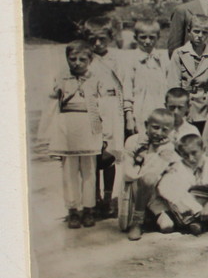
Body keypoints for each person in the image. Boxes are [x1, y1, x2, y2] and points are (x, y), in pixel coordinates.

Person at [37, 40, 108, 229]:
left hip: (89, 127)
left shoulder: (97, 78)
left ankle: (88, 209)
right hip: (67, 128)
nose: (77, 63)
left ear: (90, 60)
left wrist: (106, 132)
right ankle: (73, 210)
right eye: (72, 59)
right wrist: (46, 134)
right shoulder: (61, 79)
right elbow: (51, 107)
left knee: (89, 171)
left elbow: (104, 106)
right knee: (69, 172)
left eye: (82, 59)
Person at [83, 16, 124, 218]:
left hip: (111, 108)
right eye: (93, 40)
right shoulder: (85, 59)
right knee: (93, 154)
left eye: (102, 39)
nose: (97, 44)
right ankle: (94, 198)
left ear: (110, 37)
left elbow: (123, 87)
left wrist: (126, 113)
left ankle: (108, 198)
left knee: (110, 155)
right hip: (92, 108)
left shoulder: (116, 59)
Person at [156, 134, 208, 236]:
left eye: (194, 153)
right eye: (185, 155)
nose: (190, 158)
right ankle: (195, 222)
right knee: (178, 194)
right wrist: (178, 202)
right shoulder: (178, 166)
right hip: (192, 206)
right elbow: (163, 187)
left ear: (203, 149)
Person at [121, 108, 179, 240]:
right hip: (138, 183)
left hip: (159, 189)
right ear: (146, 125)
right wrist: (139, 173)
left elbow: (163, 169)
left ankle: (158, 214)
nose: (159, 133)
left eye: (165, 130)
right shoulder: (133, 141)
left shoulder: (168, 146)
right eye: (155, 127)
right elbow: (127, 169)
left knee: (167, 226)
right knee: (148, 179)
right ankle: (138, 220)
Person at [166, 14, 208, 133]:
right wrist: (178, 108)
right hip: (185, 106)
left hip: (205, 108)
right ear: (189, 31)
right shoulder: (179, 53)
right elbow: (173, 84)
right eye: (196, 31)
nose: (200, 36)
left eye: (204, 32)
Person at [122, 19, 169, 137]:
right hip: (140, 109)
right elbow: (127, 88)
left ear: (158, 37)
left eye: (152, 37)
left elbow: (168, 85)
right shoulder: (130, 60)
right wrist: (129, 116)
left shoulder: (163, 59)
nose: (147, 41)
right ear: (135, 37)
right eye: (143, 37)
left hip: (159, 107)